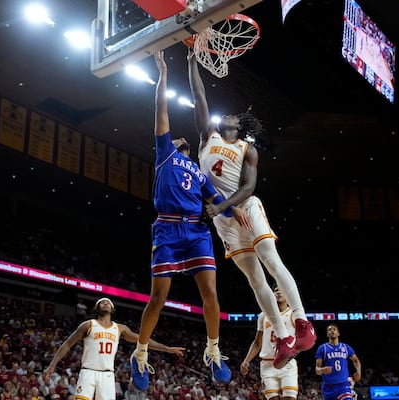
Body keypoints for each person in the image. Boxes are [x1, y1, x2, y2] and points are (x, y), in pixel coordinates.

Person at [130, 50, 252, 391]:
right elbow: (160, 110)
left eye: (183, 137)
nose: (180, 135)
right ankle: (140, 354)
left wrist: (235, 208)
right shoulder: (165, 152)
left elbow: (218, 202)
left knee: (211, 293)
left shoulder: (199, 173)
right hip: (168, 228)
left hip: (196, 230)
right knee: (158, 297)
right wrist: (163, 74)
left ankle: (213, 351)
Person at [187, 48, 316, 368]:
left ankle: (303, 324)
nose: (224, 116)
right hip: (224, 219)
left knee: (271, 259)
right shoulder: (207, 136)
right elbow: (199, 94)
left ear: (239, 126)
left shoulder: (248, 149)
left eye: (231, 116)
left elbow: (248, 187)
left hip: (244, 205)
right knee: (255, 280)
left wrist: (228, 206)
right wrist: (192, 60)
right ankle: (285, 337)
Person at [42, 297, 184, 400]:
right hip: (88, 372)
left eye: (108, 302)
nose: (105, 303)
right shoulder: (88, 325)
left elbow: (143, 340)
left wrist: (166, 349)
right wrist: (52, 365)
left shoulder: (120, 329)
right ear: (97, 308)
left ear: (112, 309)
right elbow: (67, 343)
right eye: (102, 302)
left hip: (108, 375)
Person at [240, 286, 298, 400]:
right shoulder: (263, 315)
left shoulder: (294, 314)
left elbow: (303, 339)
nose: (278, 292)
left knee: (290, 397)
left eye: (282, 289)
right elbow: (257, 342)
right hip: (267, 364)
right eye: (276, 290)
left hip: (287, 363)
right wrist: (246, 360)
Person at [315, 324, 361, 400]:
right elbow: (317, 369)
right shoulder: (323, 348)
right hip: (328, 387)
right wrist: (322, 370)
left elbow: (356, 360)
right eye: (330, 329)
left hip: (343, 385)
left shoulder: (346, 347)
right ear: (327, 334)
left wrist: (358, 372)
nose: (332, 330)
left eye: (334, 329)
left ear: (338, 333)